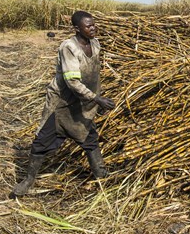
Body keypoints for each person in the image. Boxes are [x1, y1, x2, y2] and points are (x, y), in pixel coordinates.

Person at [11, 11, 115, 198]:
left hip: (84, 103)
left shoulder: (95, 44)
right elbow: (72, 82)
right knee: (42, 141)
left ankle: (102, 177)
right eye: (88, 26)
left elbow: (94, 73)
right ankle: (28, 180)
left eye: (94, 25)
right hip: (62, 104)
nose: (93, 28)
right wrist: (97, 99)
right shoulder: (69, 48)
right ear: (77, 29)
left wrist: (96, 99)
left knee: (90, 140)